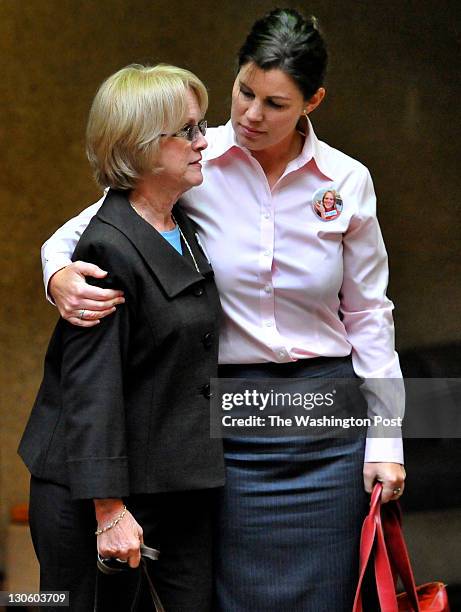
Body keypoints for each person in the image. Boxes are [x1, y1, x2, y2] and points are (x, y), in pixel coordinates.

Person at [39, 9, 406, 612]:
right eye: (244, 91)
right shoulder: (192, 161)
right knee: (231, 594)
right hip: (226, 419)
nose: (251, 115)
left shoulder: (347, 179)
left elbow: (369, 313)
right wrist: (57, 278)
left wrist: (387, 437)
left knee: (331, 593)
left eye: (276, 103)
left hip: (327, 420)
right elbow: (86, 231)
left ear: (312, 102)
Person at [18, 63, 225, 611]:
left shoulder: (183, 225)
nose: (204, 141)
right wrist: (108, 511)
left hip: (171, 482)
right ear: (142, 146)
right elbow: (91, 390)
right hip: (96, 496)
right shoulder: (107, 246)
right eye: (188, 131)